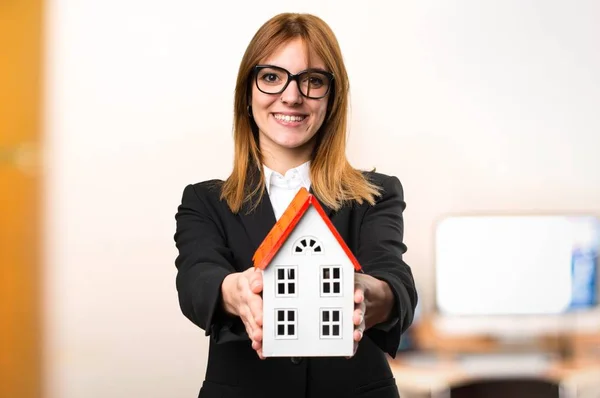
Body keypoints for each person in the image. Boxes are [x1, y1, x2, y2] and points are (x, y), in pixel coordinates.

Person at [174, 12, 418, 398]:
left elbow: (394, 277)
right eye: (272, 77)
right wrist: (234, 289)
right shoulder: (204, 201)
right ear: (247, 93)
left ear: (332, 100)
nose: (292, 95)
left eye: (313, 81)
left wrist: (371, 295)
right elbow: (195, 279)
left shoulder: (377, 193)